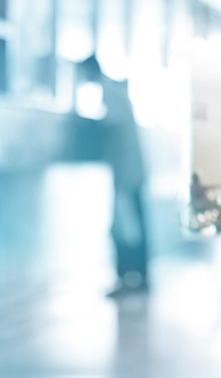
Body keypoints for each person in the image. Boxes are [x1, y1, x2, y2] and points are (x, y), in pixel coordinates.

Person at [76, 54, 149, 298]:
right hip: (131, 170)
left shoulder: (109, 92)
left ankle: (128, 278)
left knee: (124, 227)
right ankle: (137, 278)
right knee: (133, 225)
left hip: (126, 172)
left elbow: (111, 125)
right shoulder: (115, 89)